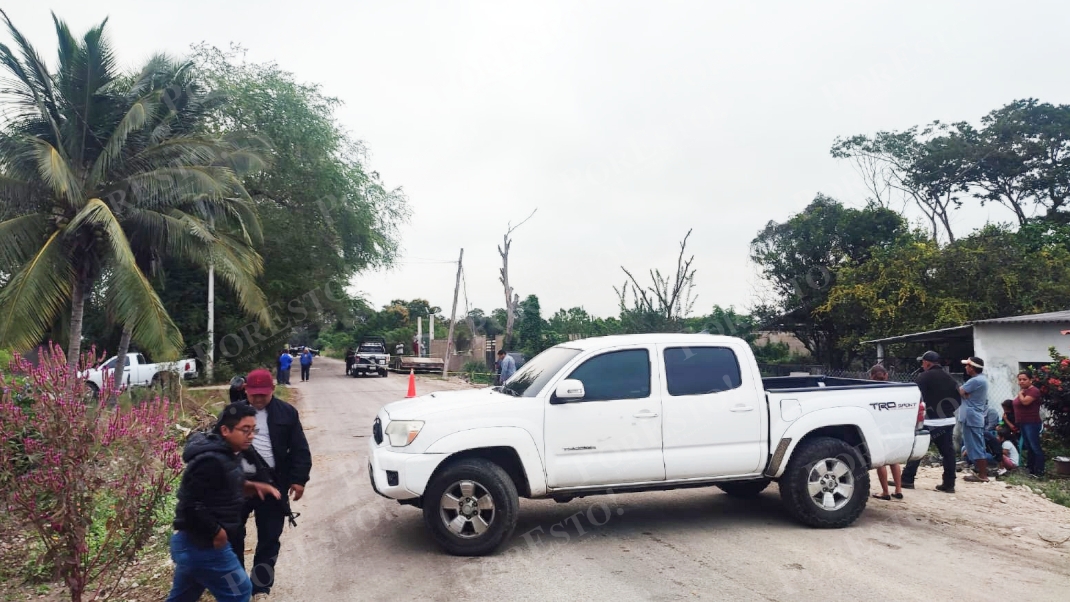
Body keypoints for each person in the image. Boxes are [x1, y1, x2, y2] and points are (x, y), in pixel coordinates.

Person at [167, 403, 281, 602]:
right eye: (245, 430)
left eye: (254, 430)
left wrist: (251, 486)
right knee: (239, 592)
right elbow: (191, 504)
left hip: (190, 545)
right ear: (225, 430)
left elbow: (221, 484)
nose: (251, 435)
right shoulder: (211, 461)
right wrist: (217, 533)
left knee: (183, 597)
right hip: (203, 545)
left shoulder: (227, 453)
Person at [234, 369, 312, 600]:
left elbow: (300, 449)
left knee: (269, 538)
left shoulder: (286, 413)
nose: (258, 399)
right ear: (245, 390)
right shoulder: (233, 414)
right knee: (233, 535)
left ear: (273, 391)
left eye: (263, 395)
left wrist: (299, 480)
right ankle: (237, 587)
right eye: (254, 394)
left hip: (273, 484)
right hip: (238, 485)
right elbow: (218, 446)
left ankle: (260, 589)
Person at [901, 351, 962, 493]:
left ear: (928, 362)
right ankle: (949, 484)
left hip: (929, 421)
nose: (922, 365)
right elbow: (958, 400)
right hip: (947, 420)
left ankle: (907, 479)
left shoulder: (924, 377)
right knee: (948, 453)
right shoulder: (950, 379)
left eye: (923, 362)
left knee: (918, 449)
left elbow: (915, 397)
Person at [869, 365, 903, 501]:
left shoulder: (870, 391)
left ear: (871, 377)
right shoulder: (893, 390)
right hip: (893, 427)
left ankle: (885, 492)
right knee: (894, 460)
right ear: (886, 375)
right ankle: (898, 489)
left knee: (881, 462)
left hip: (878, 428)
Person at [959, 356, 991, 483]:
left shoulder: (975, 381)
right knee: (974, 445)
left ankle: (983, 475)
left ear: (972, 368)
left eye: (968, 366)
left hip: (972, 417)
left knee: (976, 445)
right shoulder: (980, 380)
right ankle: (980, 472)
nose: (966, 368)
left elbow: (960, 391)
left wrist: (964, 393)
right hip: (973, 416)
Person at [1014, 371, 1045, 478]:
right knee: (1029, 447)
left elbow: (1025, 402)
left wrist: (1020, 395)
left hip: (1032, 422)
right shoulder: (1024, 391)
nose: (1021, 381)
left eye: (1024, 379)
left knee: (1035, 447)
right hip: (1023, 422)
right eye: (1020, 379)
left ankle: (1039, 471)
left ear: (1030, 380)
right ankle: (1031, 470)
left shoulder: (1033, 391)